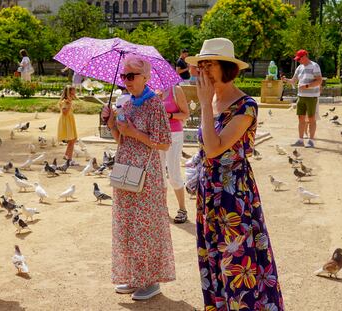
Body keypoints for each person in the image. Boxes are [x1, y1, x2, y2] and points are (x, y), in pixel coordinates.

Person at [185, 38, 284, 309]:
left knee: (239, 263)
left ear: (227, 67)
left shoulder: (245, 106)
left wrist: (204, 105)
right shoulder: (213, 99)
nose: (202, 71)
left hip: (233, 194)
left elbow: (215, 148)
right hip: (209, 191)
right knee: (213, 258)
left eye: (209, 65)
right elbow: (205, 148)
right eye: (200, 65)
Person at [102, 55, 175, 301]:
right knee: (129, 224)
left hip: (147, 173)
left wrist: (134, 131)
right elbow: (121, 140)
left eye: (131, 76)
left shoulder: (154, 103)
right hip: (125, 170)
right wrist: (111, 123)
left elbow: (164, 143)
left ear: (146, 77)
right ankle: (135, 277)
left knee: (146, 226)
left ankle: (151, 280)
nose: (126, 80)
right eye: (124, 76)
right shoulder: (127, 104)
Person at [157, 85, 190, 223]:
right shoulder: (152, 91)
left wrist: (169, 115)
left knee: (173, 172)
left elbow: (186, 113)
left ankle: (182, 209)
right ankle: (162, 208)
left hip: (174, 134)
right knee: (159, 173)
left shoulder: (175, 90)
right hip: (157, 135)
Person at [281, 49, 322, 148]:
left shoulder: (315, 66)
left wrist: (307, 86)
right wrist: (286, 80)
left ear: (305, 56)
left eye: (299, 59)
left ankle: (311, 141)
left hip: (312, 97)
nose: (298, 60)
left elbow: (319, 81)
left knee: (311, 119)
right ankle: (300, 140)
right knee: (301, 118)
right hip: (301, 96)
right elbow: (293, 81)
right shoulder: (299, 67)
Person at [57, 85, 78, 160]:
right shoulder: (65, 102)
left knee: (73, 139)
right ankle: (69, 159)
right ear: (68, 93)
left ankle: (67, 156)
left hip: (69, 121)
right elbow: (64, 112)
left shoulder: (69, 101)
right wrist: (69, 105)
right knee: (72, 140)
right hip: (66, 122)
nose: (74, 95)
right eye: (72, 93)